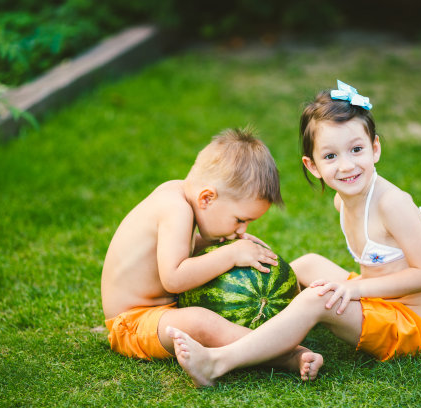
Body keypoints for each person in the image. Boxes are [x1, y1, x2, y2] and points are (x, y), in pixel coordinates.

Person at [167, 81, 421, 387]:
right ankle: (270, 330)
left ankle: (217, 362)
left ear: (375, 148)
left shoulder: (392, 203)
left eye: (356, 149)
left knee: (317, 299)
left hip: (409, 325)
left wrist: (355, 290)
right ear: (313, 165)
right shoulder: (342, 201)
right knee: (305, 264)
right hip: (382, 297)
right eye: (330, 156)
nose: (346, 166)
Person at [101, 127, 323, 380]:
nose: (242, 229)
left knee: (208, 317)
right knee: (201, 322)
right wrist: (231, 254)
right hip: (132, 323)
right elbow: (173, 278)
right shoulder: (176, 210)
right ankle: (287, 355)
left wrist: (225, 247)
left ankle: (273, 337)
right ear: (207, 198)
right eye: (240, 220)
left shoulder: (176, 195)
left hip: (162, 312)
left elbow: (177, 248)